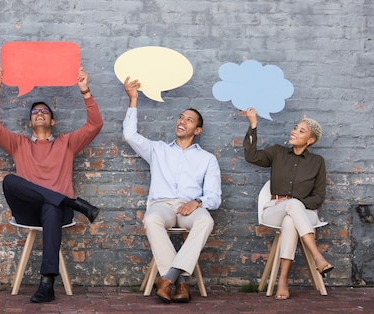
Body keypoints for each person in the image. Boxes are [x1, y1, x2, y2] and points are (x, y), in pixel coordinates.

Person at [0, 66, 103, 303]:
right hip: (27, 211)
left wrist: (85, 91)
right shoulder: (18, 143)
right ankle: (72, 202)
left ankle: (47, 283)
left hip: (57, 213)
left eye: (45, 111)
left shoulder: (66, 143)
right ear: (30, 122)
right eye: (35, 111)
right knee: (10, 180)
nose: (40, 113)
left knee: (51, 207)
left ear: (53, 120)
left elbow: (95, 125)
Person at [122, 77, 222, 304]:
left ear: (197, 130)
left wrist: (197, 202)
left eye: (189, 120)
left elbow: (214, 197)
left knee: (205, 221)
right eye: (180, 117)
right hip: (163, 205)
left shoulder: (207, 159)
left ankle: (167, 279)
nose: (182, 122)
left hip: (190, 207)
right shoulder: (158, 150)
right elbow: (130, 136)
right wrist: (133, 100)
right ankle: (180, 281)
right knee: (151, 220)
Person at [243, 107, 333, 300]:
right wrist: (252, 125)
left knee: (291, 220)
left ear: (311, 140)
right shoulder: (277, 152)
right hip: (274, 209)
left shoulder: (317, 162)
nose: (294, 132)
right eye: (295, 128)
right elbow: (251, 157)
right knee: (290, 208)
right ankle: (317, 256)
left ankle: (282, 280)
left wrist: (294, 202)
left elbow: (318, 198)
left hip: (305, 213)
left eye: (301, 131)